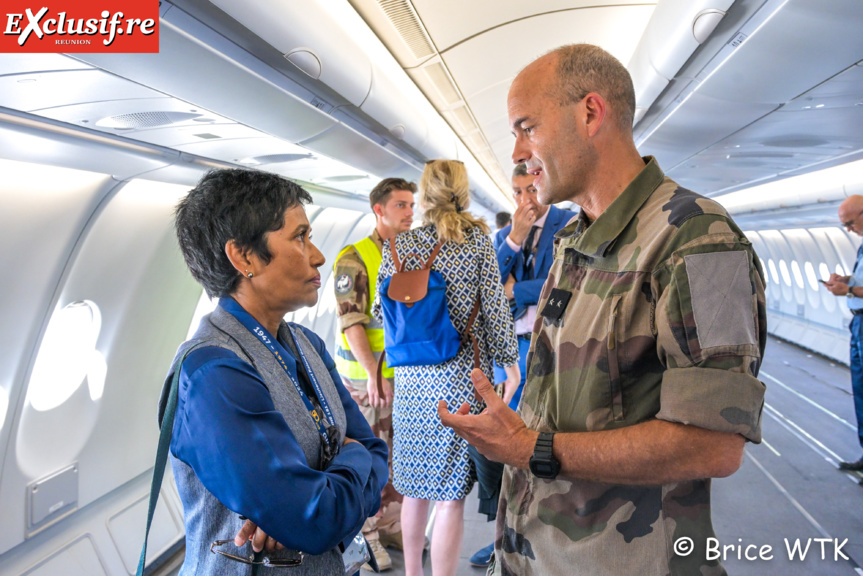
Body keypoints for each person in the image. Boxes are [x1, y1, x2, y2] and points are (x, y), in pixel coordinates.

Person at [439, 44, 767, 576]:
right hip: (540, 553)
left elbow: (713, 445)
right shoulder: (574, 238)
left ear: (590, 113)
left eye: (527, 127)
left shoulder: (700, 240)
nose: (518, 151)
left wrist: (528, 448)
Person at [168, 168, 389, 575]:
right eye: (300, 237)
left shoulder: (307, 344)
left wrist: (340, 472)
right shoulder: (212, 373)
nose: (318, 255)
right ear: (244, 257)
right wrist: (351, 462)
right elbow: (314, 519)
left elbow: (376, 452)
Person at [372, 159, 520, 576]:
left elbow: (379, 312)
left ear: (425, 193)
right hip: (459, 379)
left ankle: (413, 574)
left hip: (412, 383)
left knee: (414, 489)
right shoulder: (475, 241)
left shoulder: (399, 245)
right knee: (450, 497)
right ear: (461, 190)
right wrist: (509, 364)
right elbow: (494, 308)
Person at [466, 163, 578, 567]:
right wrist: (514, 239)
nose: (525, 200)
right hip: (510, 351)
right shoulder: (505, 235)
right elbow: (489, 285)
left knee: (545, 436)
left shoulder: (570, 222)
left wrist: (519, 290)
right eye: (517, 192)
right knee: (505, 441)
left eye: (531, 190)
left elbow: (563, 277)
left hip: (551, 346)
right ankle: (504, 534)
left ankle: (546, 531)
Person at [333, 178, 416, 568]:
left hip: (400, 378)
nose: (409, 212)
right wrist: (372, 373)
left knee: (397, 455)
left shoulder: (408, 253)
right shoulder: (354, 257)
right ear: (378, 210)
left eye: (412, 205)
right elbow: (352, 322)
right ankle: (366, 538)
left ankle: (393, 525)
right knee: (370, 458)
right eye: (400, 205)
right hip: (368, 383)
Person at [824, 194, 863, 470]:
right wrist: (847, 280)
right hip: (858, 323)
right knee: (860, 390)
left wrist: (848, 291)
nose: (849, 230)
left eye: (850, 223)